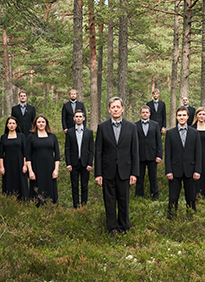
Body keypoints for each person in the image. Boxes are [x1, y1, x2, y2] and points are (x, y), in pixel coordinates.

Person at [95, 97, 139, 235]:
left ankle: (124, 227)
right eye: (112, 107)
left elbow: (135, 152)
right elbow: (98, 152)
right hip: (108, 171)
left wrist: (134, 173)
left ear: (122, 109)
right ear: (109, 110)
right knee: (109, 201)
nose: (115, 109)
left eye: (117, 107)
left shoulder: (132, 127)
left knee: (123, 200)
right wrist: (98, 173)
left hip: (125, 171)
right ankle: (112, 228)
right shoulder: (102, 127)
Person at [165, 106, 202, 218]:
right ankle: (171, 218)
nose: (182, 117)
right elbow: (168, 154)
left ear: (188, 117)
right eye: (179, 115)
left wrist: (197, 170)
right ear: (176, 117)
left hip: (190, 170)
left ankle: (191, 217)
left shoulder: (194, 133)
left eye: (184, 115)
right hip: (175, 171)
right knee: (173, 197)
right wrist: (168, 171)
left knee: (190, 197)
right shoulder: (170, 133)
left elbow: (198, 153)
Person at [26, 114, 60, 205]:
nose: (41, 124)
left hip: (50, 168)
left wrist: (56, 170)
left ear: (46, 124)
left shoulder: (52, 136)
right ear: (35, 124)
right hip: (36, 168)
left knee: (50, 190)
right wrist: (30, 171)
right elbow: (27, 156)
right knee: (36, 191)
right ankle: (36, 211)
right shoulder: (31, 137)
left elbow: (57, 155)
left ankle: (51, 209)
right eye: (39, 122)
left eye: (43, 122)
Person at [65, 110, 94, 208]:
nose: (78, 118)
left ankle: (84, 205)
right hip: (73, 163)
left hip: (85, 163)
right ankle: (76, 206)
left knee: (85, 186)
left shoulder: (89, 132)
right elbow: (67, 149)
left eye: (80, 116)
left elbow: (91, 150)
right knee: (75, 186)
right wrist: (68, 163)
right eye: (76, 116)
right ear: (74, 118)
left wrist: (90, 163)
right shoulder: (69, 132)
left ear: (83, 118)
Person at [135, 106, 163, 201]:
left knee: (153, 177)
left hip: (152, 155)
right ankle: (139, 195)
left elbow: (159, 141)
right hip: (139, 156)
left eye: (147, 112)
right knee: (139, 177)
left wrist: (159, 155)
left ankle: (155, 195)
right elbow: (133, 142)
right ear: (140, 114)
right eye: (143, 112)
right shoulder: (135, 126)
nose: (145, 114)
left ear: (150, 113)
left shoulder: (155, 125)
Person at [0, 116, 28, 200]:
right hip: (7, 164)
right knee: (8, 183)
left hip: (19, 164)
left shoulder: (21, 136)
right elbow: (1, 154)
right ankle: (9, 202)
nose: (11, 125)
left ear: (16, 125)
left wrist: (25, 165)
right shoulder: (3, 137)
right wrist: (2, 167)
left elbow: (25, 152)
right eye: (10, 123)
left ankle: (22, 202)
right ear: (7, 125)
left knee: (21, 183)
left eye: (13, 123)